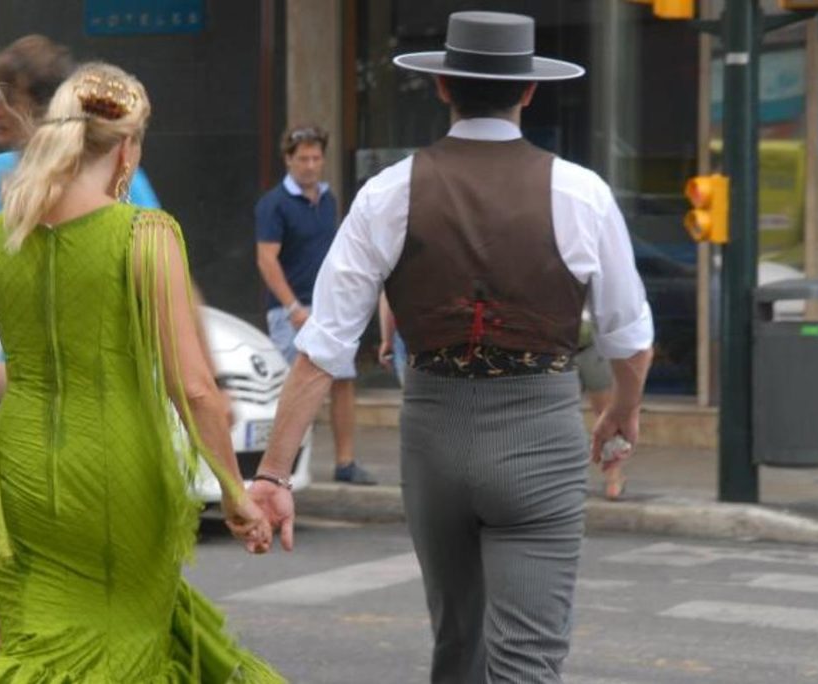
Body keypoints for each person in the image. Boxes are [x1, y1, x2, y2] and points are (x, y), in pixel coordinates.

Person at [248, 11, 653, 682]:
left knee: (458, 646)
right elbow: (630, 340)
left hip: (434, 435)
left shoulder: (387, 193)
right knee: (527, 659)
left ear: (442, 87)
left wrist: (272, 473)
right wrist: (623, 410)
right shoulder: (581, 193)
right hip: (540, 436)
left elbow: (322, 347)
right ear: (528, 91)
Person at [0, 62, 283, 682]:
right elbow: (194, 386)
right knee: (127, 647)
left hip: (24, 472)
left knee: (33, 644)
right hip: (117, 467)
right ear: (127, 151)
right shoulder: (145, 234)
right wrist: (232, 491)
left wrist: (40, 384)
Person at [0, 35, 159, 376]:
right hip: (28, 384)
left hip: (104, 382)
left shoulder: (117, 175)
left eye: (4, 98)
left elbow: (165, 281)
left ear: (43, 105)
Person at [255, 125, 376, 485]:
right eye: (303, 158)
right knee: (292, 387)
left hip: (328, 310)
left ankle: (345, 462)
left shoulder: (329, 200)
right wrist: (292, 308)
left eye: (316, 158)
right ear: (288, 160)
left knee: (343, 381)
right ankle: (279, 470)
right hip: (289, 313)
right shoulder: (273, 204)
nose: (310, 165)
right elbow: (266, 259)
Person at [576, 309, 628, 500]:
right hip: (560, 345)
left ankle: (614, 475)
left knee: (605, 414)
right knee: (560, 416)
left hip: (592, 343)